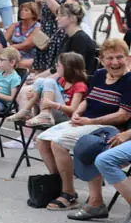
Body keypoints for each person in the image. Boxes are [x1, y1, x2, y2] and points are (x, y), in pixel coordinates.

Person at [35, 39, 131, 211]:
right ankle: (58, 184)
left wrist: (91, 121)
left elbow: (123, 115)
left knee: (59, 143)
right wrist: (77, 112)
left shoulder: (129, 80)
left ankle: (69, 194)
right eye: (110, 58)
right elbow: (89, 99)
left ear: (128, 59)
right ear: (102, 60)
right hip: (86, 121)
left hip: (107, 129)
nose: (115, 62)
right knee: (41, 140)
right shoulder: (100, 74)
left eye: (119, 57)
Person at [36, 0, 90, 71]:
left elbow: (62, 12)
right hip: (45, 37)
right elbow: (42, 15)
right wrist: (38, 3)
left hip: (60, 37)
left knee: (56, 71)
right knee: (41, 71)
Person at [11, 51, 88, 126]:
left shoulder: (79, 85)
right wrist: (34, 94)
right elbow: (49, 97)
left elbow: (73, 109)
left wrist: (53, 104)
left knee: (49, 81)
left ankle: (45, 115)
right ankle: (26, 110)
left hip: (66, 117)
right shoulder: (63, 80)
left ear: (68, 68)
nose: (56, 67)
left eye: (58, 65)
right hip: (55, 112)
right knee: (39, 80)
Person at [48, 0, 99, 76]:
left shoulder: (80, 39)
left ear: (72, 18)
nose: (57, 19)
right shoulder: (68, 37)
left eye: (61, 15)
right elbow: (54, 69)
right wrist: (37, 77)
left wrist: (44, 80)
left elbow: (71, 71)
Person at [6, 2, 42, 70]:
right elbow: (4, 40)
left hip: (31, 57)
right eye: (21, 10)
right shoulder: (14, 25)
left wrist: (8, 48)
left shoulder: (38, 27)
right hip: (14, 55)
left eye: (26, 10)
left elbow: (26, 45)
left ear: (33, 14)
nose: (22, 12)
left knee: (11, 63)